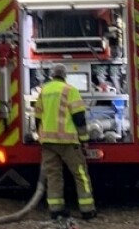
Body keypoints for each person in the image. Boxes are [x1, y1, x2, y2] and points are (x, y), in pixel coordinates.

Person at [34, 64, 97, 220]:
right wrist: (84, 139)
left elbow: (37, 116)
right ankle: (87, 210)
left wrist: (40, 135)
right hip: (68, 141)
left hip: (48, 141)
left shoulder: (44, 90)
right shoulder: (70, 90)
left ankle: (56, 210)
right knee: (80, 174)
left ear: (52, 75)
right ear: (64, 76)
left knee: (53, 175)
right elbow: (79, 117)